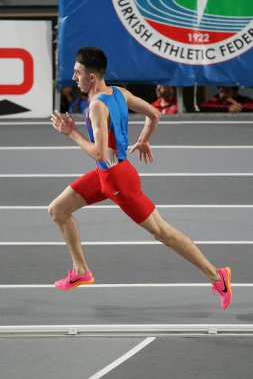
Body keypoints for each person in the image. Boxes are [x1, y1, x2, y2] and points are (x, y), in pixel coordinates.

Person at [50, 46, 232, 310]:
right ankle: (81, 270)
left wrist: (71, 133)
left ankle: (217, 276)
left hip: (118, 182)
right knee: (58, 210)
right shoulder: (119, 93)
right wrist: (144, 140)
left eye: (77, 72)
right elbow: (154, 114)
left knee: (163, 233)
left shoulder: (97, 107)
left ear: (92, 77)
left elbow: (99, 151)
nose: (73, 77)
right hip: (107, 174)